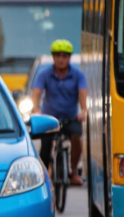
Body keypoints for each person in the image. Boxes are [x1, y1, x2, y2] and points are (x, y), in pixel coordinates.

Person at [32, 39, 87, 185]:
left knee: (77, 138)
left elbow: (82, 94)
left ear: (69, 58)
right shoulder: (45, 74)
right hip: (50, 119)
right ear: (53, 57)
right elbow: (36, 92)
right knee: (45, 147)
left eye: (64, 56)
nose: (61, 59)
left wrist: (84, 110)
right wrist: (36, 108)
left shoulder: (78, 75)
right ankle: (43, 177)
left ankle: (73, 172)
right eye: (57, 55)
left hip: (70, 118)